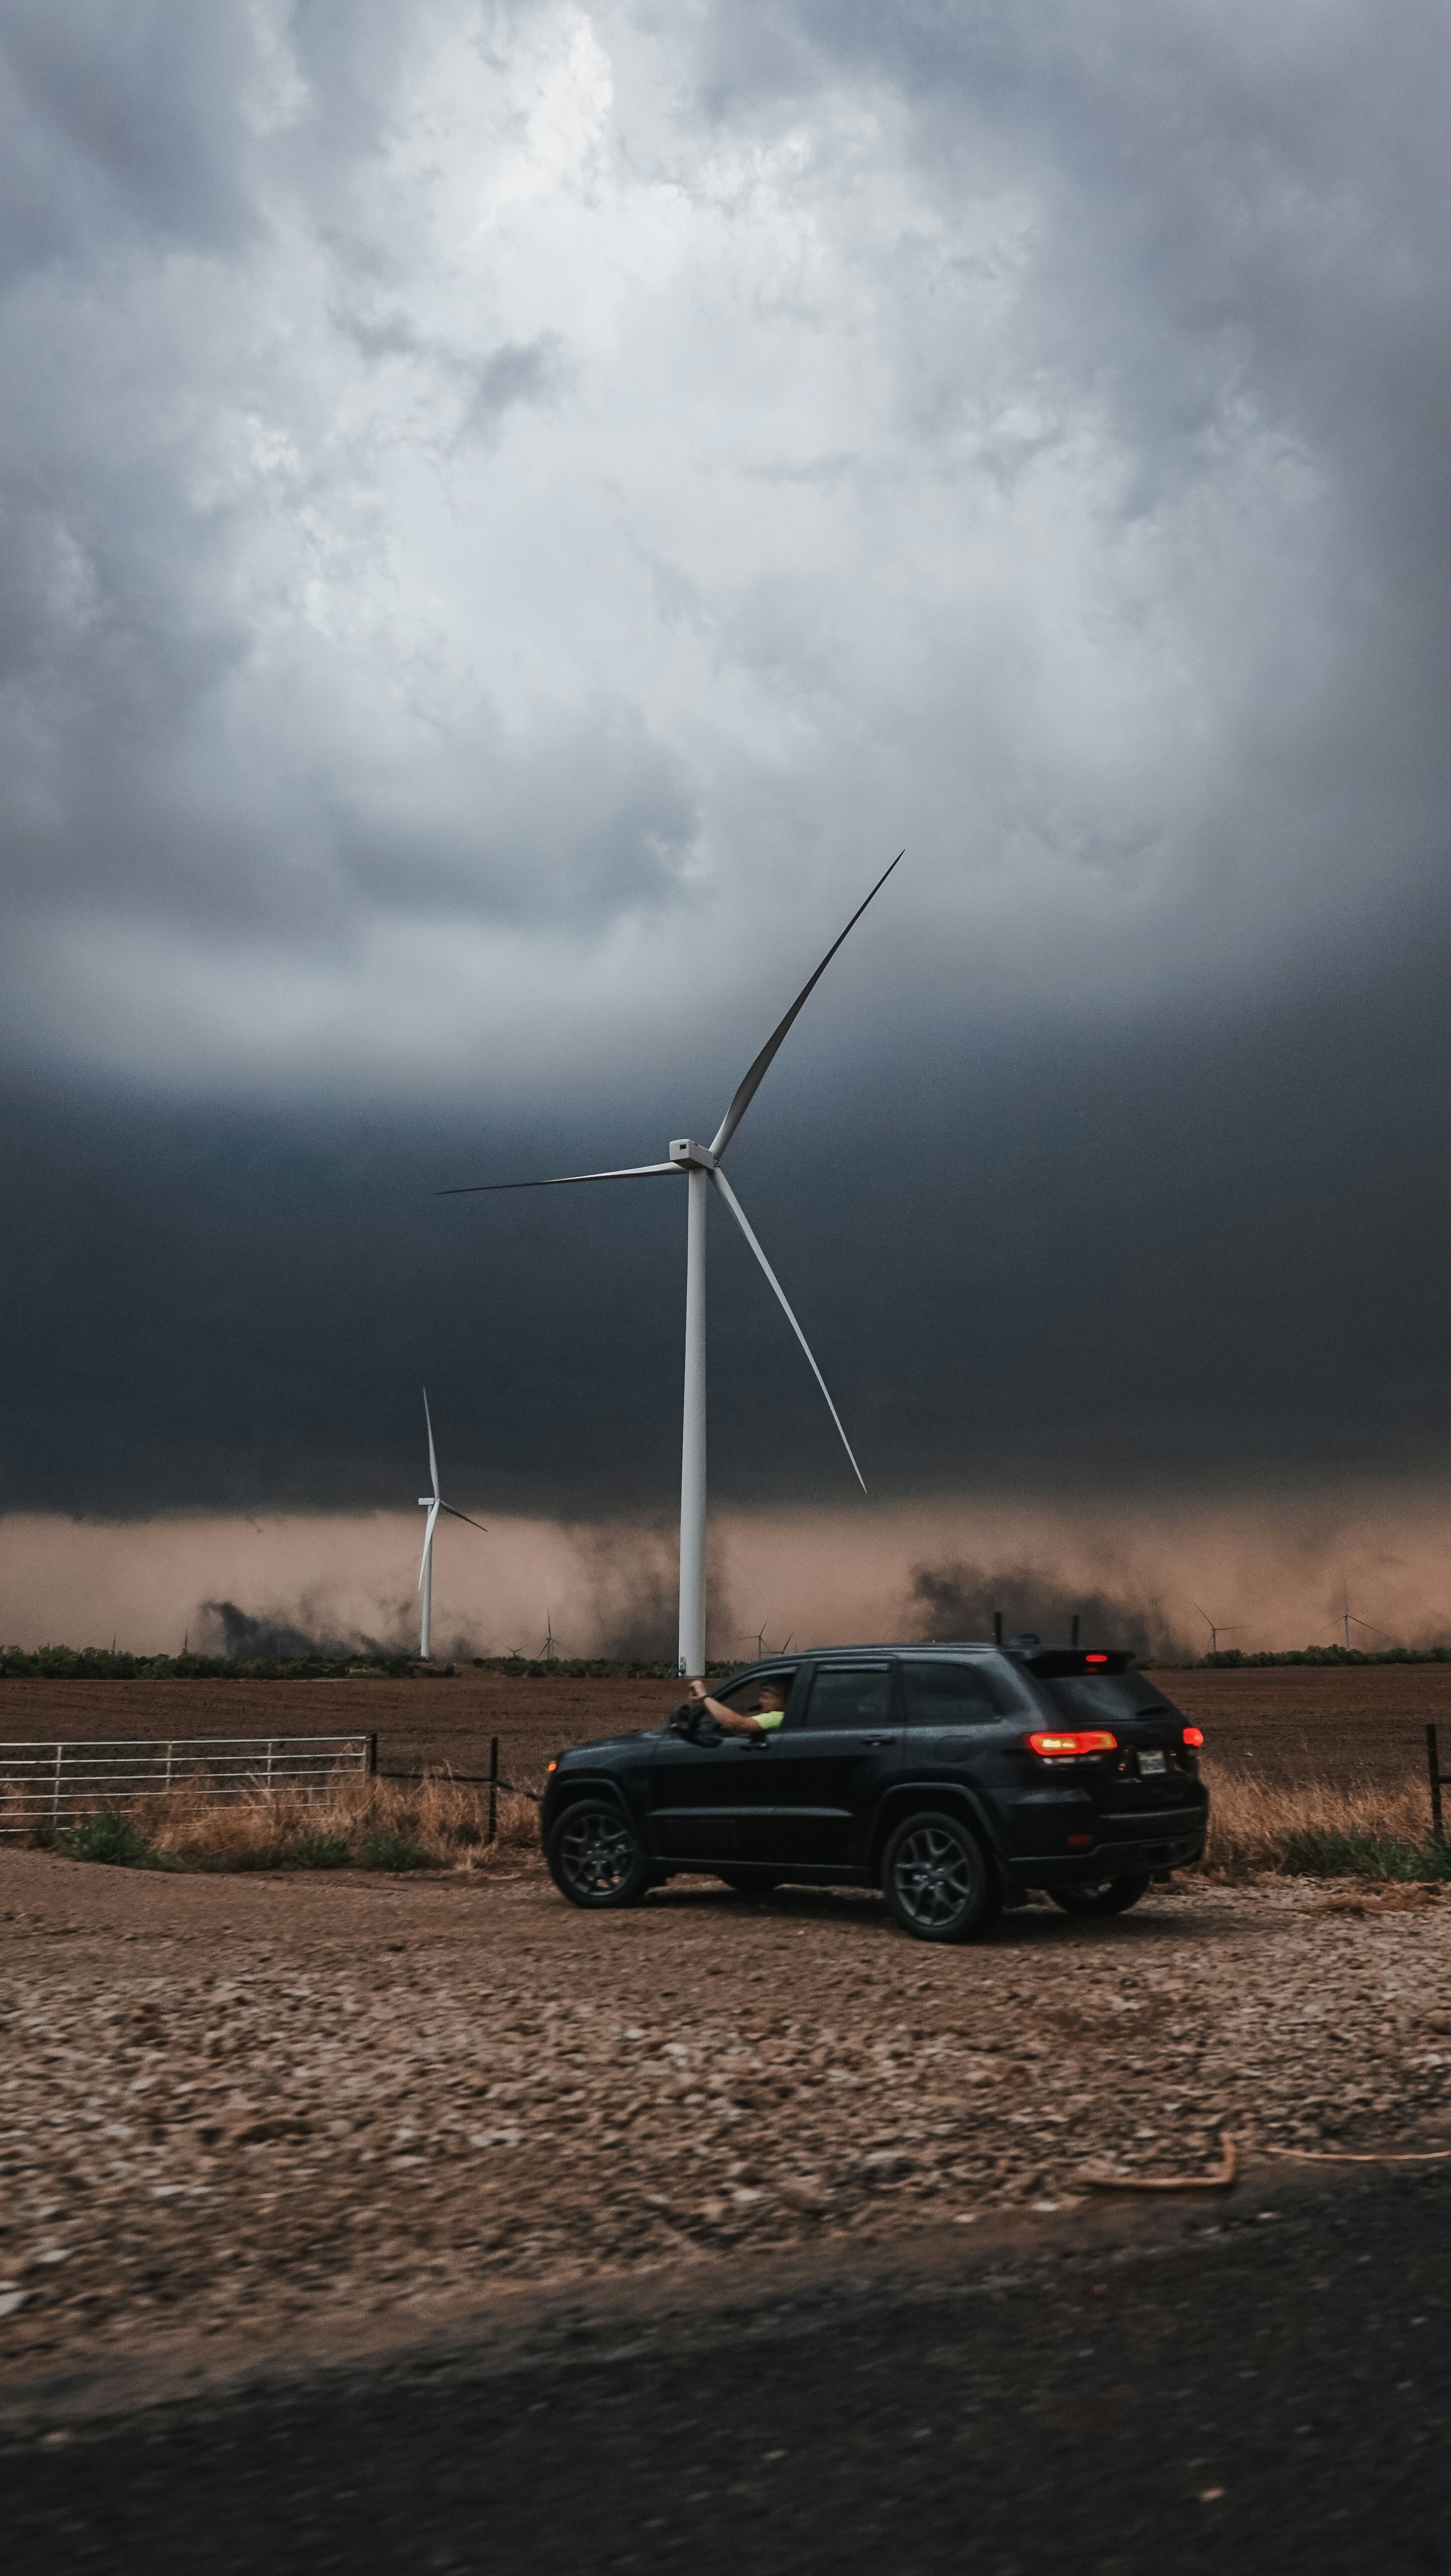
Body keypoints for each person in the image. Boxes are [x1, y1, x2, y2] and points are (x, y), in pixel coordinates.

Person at [686, 1674, 789, 1736]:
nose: (760, 1701)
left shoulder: (777, 1717)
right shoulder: (781, 1717)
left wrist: (704, 1696)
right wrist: (707, 1706)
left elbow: (736, 1724)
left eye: (766, 1697)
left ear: (784, 1700)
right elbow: (741, 1714)